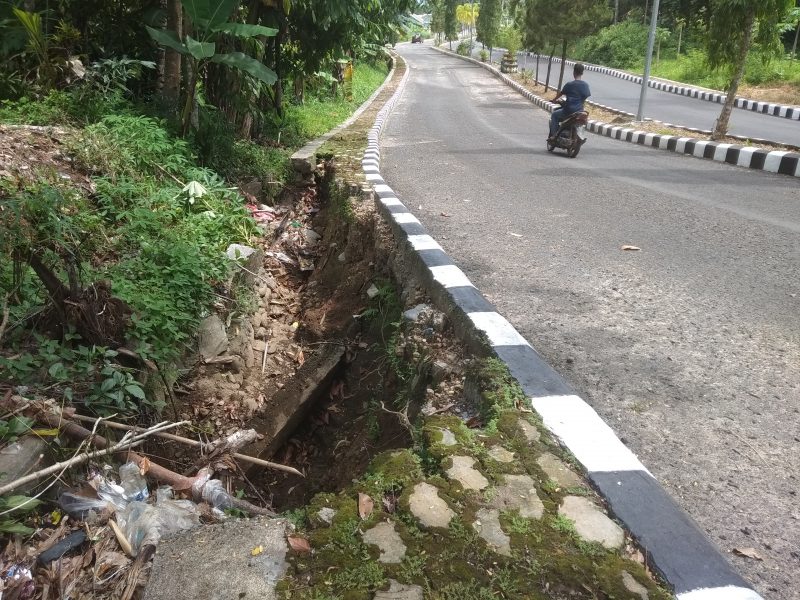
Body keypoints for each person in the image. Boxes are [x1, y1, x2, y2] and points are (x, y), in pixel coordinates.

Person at [549, 63, 591, 140]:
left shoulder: (569, 85)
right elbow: (585, 97)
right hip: (579, 111)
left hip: (568, 111)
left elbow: (560, 94)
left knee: (554, 115)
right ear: (582, 73)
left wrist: (554, 100)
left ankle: (554, 136)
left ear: (574, 72)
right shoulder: (586, 85)